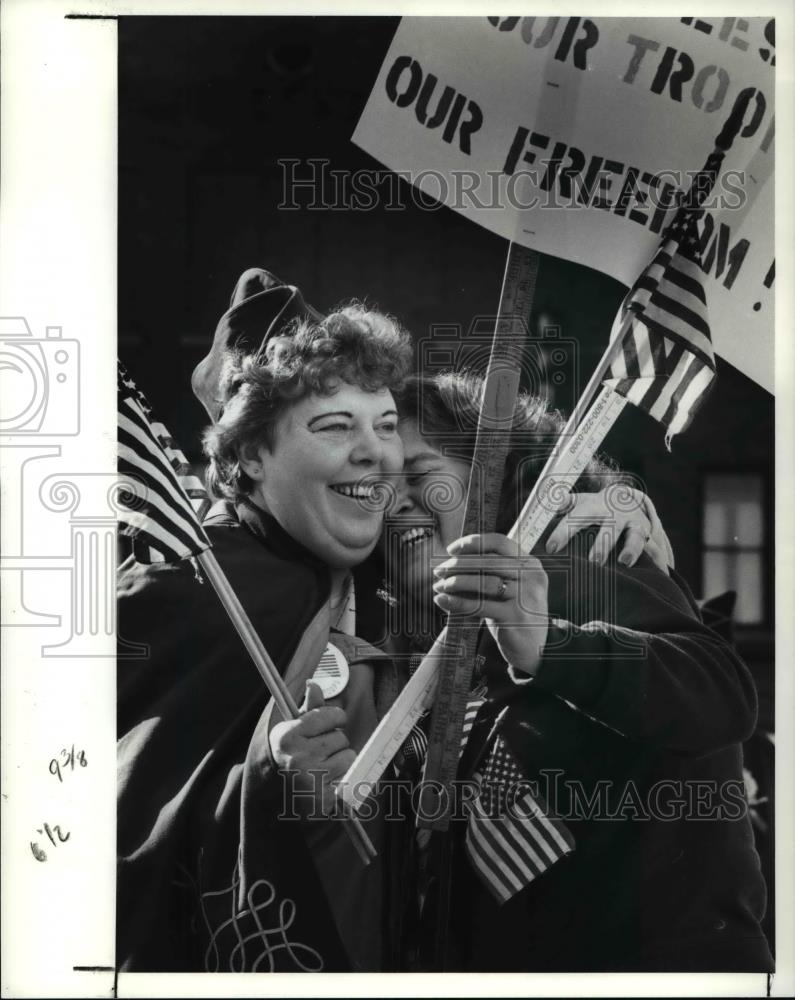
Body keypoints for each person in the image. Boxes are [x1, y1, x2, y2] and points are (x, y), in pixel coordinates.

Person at [384, 372, 773, 972]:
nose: (397, 499)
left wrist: (549, 643)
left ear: (496, 473)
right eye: (380, 487)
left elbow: (720, 692)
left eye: (417, 474)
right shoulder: (421, 645)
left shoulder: (589, 553)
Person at [117, 268, 414, 972]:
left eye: (387, 424)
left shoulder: (400, 569)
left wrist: (601, 511)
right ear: (249, 455)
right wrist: (268, 781)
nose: (374, 450)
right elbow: (102, 837)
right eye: (335, 425)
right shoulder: (180, 591)